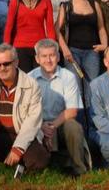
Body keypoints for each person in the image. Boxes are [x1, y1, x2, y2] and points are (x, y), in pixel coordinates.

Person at [0, 44, 49, 176]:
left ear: (16, 62)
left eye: (6, 64)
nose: (2, 68)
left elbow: (32, 122)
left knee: (41, 159)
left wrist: (18, 148)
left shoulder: (32, 84)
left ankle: (19, 165)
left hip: (20, 133)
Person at [28, 39, 89, 176]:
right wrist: (41, 125)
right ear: (37, 59)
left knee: (74, 127)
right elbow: (26, 111)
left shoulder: (68, 77)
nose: (48, 60)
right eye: (44, 56)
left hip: (61, 122)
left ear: (59, 57)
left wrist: (52, 126)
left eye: (52, 55)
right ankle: (43, 171)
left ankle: (80, 170)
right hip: (37, 123)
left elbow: (72, 110)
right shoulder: (29, 78)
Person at [57, 0, 107, 81]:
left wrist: (104, 44)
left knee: (93, 85)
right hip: (72, 52)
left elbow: (101, 27)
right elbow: (57, 30)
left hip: (92, 52)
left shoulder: (94, 4)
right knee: (75, 86)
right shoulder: (66, 6)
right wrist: (65, 49)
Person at [5, 0, 56, 72]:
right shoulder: (15, 1)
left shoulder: (46, 1)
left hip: (40, 48)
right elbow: (9, 26)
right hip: (20, 46)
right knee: (24, 80)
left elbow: (50, 27)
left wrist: (53, 48)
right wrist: (7, 48)